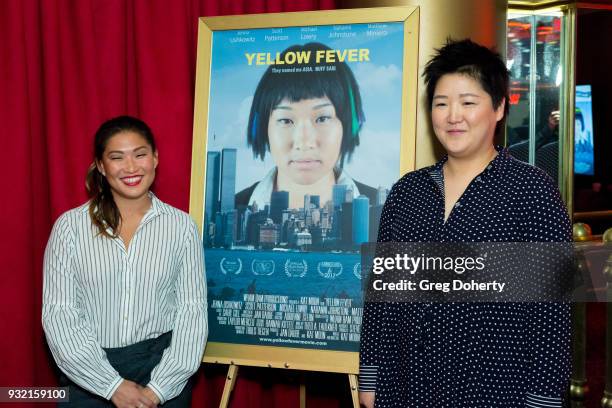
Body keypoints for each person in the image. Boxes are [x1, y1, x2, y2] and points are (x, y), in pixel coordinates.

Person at [359, 39, 571, 407]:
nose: (452, 116)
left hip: (493, 389)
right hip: (406, 386)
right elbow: (381, 299)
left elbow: (551, 313)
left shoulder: (532, 192)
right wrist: (371, 377)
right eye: (441, 104)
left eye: (468, 103)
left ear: (500, 108)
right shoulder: (406, 192)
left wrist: (544, 400)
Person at [42, 116, 207, 407]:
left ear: (155, 158)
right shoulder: (69, 228)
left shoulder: (181, 227)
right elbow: (60, 314)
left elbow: (191, 312)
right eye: (117, 158)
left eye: (140, 154)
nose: (131, 168)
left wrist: (158, 389)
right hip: (88, 375)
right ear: (102, 166)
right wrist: (112, 386)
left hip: (163, 372)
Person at [235, 42, 376, 210]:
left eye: (322, 118)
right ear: (261, 128)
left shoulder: (386, 207)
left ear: (351, 125)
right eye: (286, 120)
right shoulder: (231, 208)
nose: (304, 142)